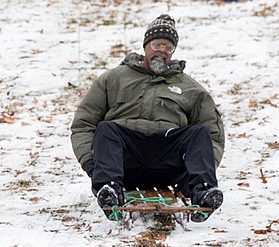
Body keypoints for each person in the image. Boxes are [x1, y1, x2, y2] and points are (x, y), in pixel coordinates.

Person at [70, 14, 225, 223]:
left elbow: (213, 135)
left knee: (199, 132)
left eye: (168, 47)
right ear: (145, 46)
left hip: (168, 162)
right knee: (107, 128)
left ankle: (203, 193)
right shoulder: (114, 79)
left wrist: (202, 169)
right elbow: (84, 124)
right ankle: (108, 190)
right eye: (157, 44)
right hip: (124, 162)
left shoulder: (191, 88)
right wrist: (91, 164)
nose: (162, 50)